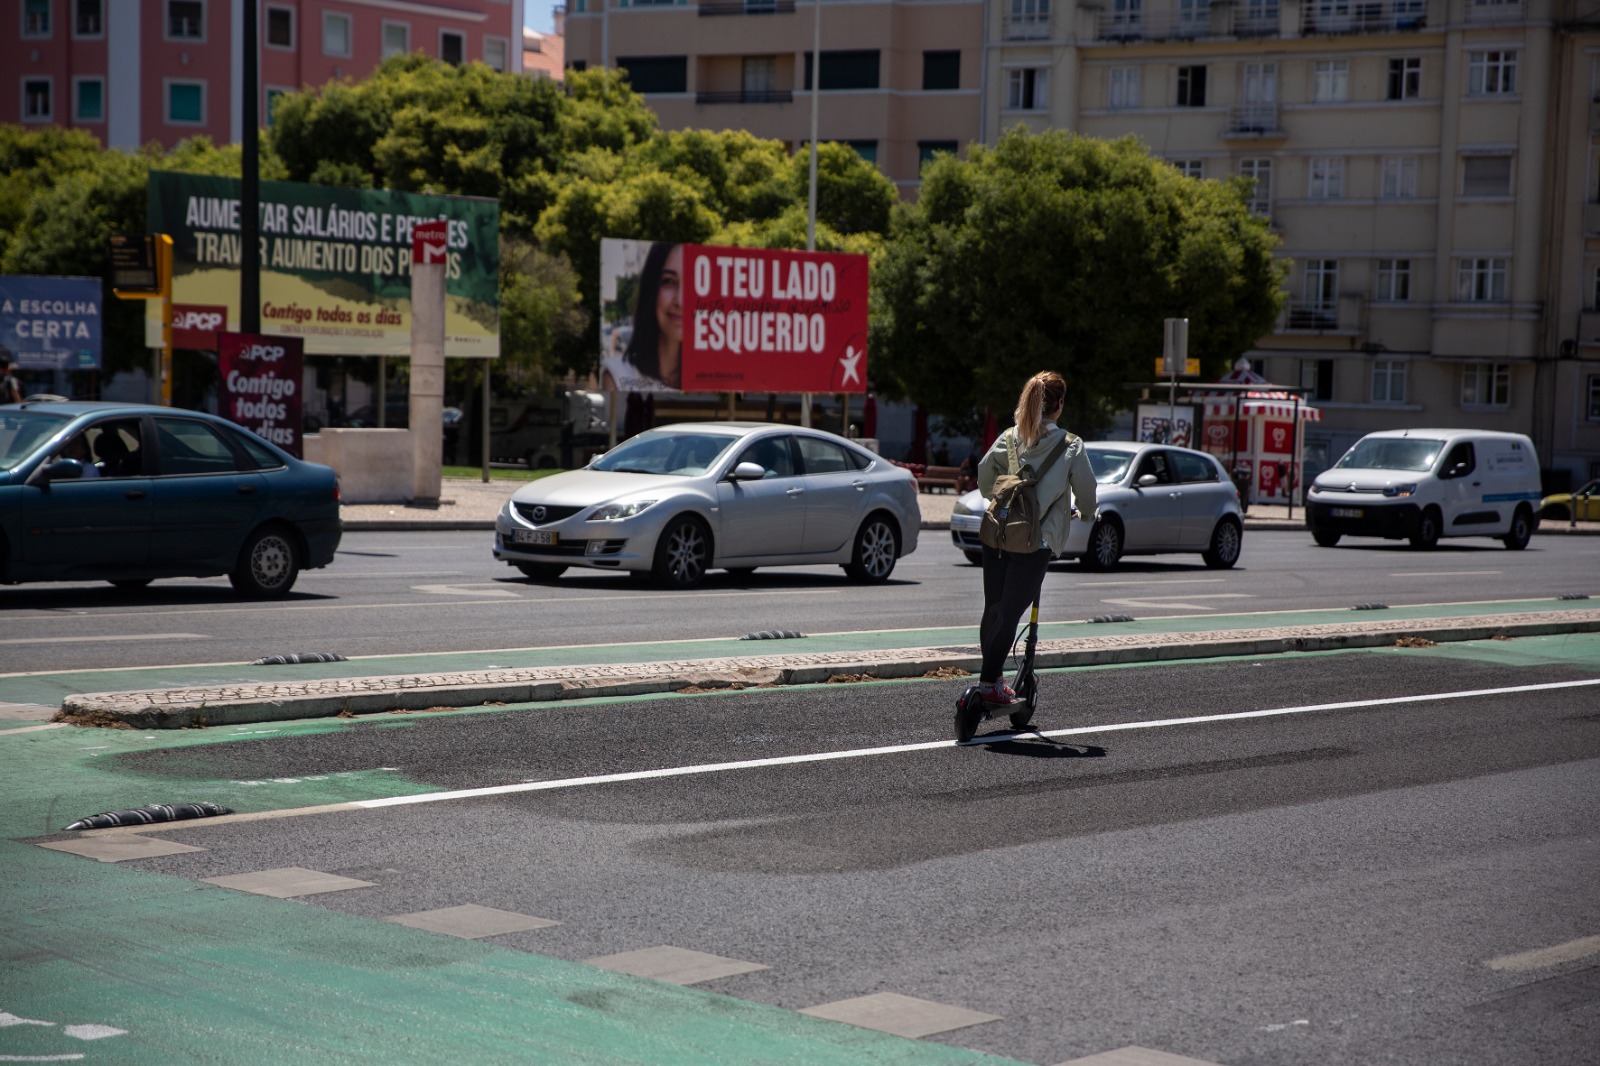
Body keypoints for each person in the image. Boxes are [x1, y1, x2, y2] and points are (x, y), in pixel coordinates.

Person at [973, 371, 1098, 706]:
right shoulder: (1070, 445)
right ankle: (988, 685)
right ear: (1058, 406)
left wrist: (1002, 501)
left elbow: (985, 477)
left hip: (998, 534)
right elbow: (1086, 491)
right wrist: (1086, 514)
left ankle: (993, 680)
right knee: (1012, 612)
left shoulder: (1010, 438)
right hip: (1034, 542)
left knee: (994, 609)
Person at [601, 242, 683, 392]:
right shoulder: (616, 377)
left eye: (695, 283)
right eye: (669, 281)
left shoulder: (718, 379)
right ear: (651, 289)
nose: (681, 301)